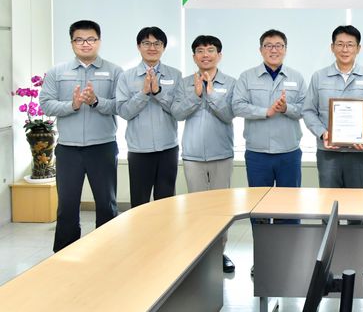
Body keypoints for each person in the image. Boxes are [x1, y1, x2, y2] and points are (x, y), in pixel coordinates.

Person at [39, 20, 122, 252]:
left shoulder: (115, 71)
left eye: (91, 39)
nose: (85, 44)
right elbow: (46, 104)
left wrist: (96, 101)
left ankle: (108, 252)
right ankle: (66, 254)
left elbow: (121, 105)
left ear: (99, 41)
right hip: (68, 149)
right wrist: (72, 105)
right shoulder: (57, 72)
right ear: (72, 42)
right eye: (79, 39)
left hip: (102, 147)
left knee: (106, 204)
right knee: (67, 206)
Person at [172, 35, 236, 273]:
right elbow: (177, 113)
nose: (205, 55)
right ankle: (198, 253)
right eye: (200, 50)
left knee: (222, 208)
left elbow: (229, 114)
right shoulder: (184, 83)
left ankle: (219, 253)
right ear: (194, 56)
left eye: (210, 50)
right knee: (197, 208)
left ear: (219, 55)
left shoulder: (231, 82)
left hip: (222, 153)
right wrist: (196, 95)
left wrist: (211, 93)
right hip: (193, 155)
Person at [302, 25, 363, 189]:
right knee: (328, 200)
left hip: (358, 152)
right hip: (328, 152)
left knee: (357, 201)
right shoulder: (319, 77)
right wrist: (323, 133)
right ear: (332, 47)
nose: (345, 49)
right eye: (340, 44)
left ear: (358, 48)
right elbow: (308, 110)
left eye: (350, 44)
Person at [232, 29, 306, 197]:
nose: (274, 50)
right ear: (261, 50)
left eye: (279, 45)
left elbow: (305, 109)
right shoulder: (247, 77)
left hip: (289, 152)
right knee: (258, 203)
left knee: (289, 203)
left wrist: (286, 108)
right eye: (268, 46)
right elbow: (237, 106)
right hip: (257, 153)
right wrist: (266, 111)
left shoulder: (297, 77)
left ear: (285, 49)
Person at [116, 27, 181, 208]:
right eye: (146, 43)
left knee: (166, 202)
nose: (152, 47)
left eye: (157, 43)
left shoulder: (175, 75)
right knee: (139, 203)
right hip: (139, 149)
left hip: (168, 147)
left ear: (163, 47)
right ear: (139, 46)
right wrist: (143, 94)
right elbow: (124, 112)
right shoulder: (126, 77)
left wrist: (158, 92)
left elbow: (179, 111)